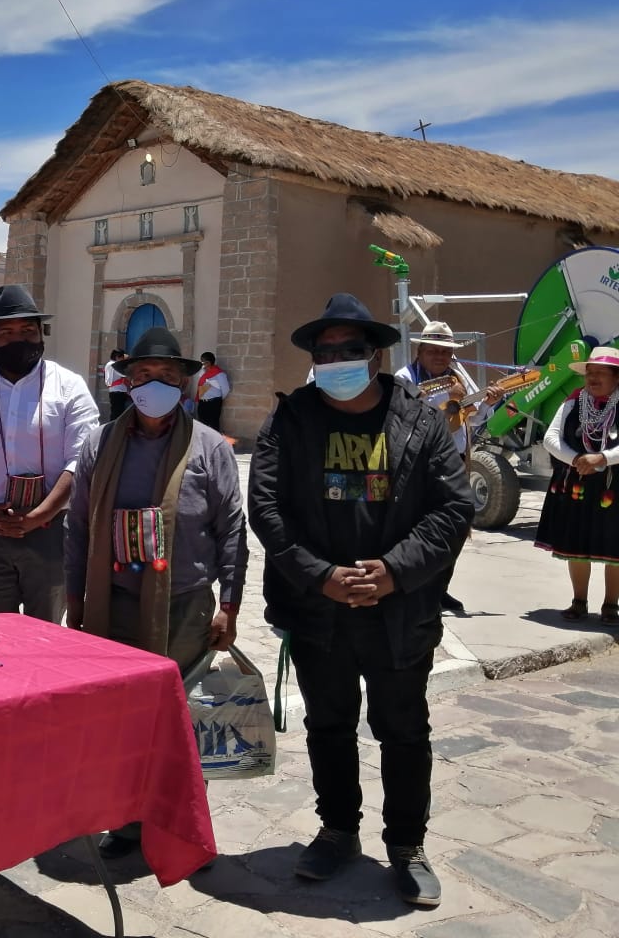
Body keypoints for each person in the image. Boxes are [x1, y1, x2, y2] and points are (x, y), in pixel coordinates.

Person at [248, 293, 472, 908]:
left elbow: (455, 507)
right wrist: (318, 576)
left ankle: (406, 846)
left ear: (374, 356)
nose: (335, 360)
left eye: (349, 350)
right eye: (325, 352)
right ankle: (338, 830)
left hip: (399, 613)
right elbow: (266, 508)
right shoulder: (290, 420)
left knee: (403, 731)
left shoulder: (421, 423)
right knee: (329, 724)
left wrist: (394, 572)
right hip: (319, 612)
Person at [65, 327, 248, 859]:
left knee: (182, 723)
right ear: (128, 381)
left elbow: (232, 530)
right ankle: (126, 823)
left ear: (186, 384)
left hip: (185, 605)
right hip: (114, 602)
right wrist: (75, 601)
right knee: (122, 721)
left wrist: (230, 606)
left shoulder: (210, 448)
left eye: (168, 377)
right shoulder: (99, 443)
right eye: (145, 376)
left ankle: (181, 826)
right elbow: (78, 528)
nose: (156, 386)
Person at [0, 284, 99, 623]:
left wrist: (39, 516)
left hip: (52, 532)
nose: (19, 339)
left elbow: (82, 461)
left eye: (28, 331)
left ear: (41, 335)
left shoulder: (69, 387)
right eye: (7, 332)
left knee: (45, 634)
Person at [395, 320, 503, 613]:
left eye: (446, 352)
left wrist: (488, 403)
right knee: (418, 528)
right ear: (420, 351)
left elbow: (472, 420)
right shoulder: (404, 378)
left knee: (454, 527)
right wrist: (448, 402)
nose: (441, 357)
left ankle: (440, 589)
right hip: (417, 465)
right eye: (434, 351)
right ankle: (415, 587)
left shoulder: (458, 378)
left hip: (455, 462)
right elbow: (400, 419)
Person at [535, 345, 619, 623]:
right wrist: (577, 460)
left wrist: (603, 458)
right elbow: (551, 438)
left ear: (616, 378)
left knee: (614, 547)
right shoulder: (573, 402)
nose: (592, 379)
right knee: (577, 545)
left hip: (612, 485)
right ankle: (579, 601)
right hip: (577, 483)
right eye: (589, 373)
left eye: (600, 373)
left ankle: (610, 606)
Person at [195, 351, 231, 432]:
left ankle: (214, 444)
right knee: (202, 425)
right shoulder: (203, 372)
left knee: (213, 425)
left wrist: (217, 399)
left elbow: (226, 389)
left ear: (208, 362)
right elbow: (201, 385)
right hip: (203, 402)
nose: (201, 363)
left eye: (203, 361)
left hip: (213, 402)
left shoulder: (219, 374)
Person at [103, 348, 129, 418]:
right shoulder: (113, 364)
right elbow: (124, 374)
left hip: (118, 391)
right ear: (117, 357)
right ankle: (114, 428)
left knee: (118, 412)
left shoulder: (111, 364)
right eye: (122, 358)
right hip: (117, 392)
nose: (122, 360)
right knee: (117, 413)